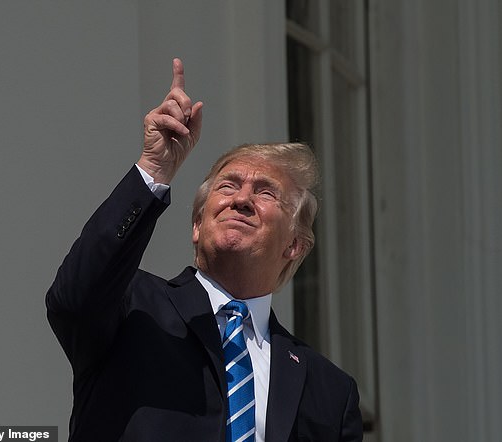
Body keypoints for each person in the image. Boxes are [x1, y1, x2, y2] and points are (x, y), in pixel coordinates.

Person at [47, 58, 363, 442]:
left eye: (265, 192)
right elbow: (72, 296)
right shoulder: (133, 307)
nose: (241, 199)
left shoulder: (329, 390)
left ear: (294, 244)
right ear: (197, 226)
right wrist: (154, 169)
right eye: (227, 187)